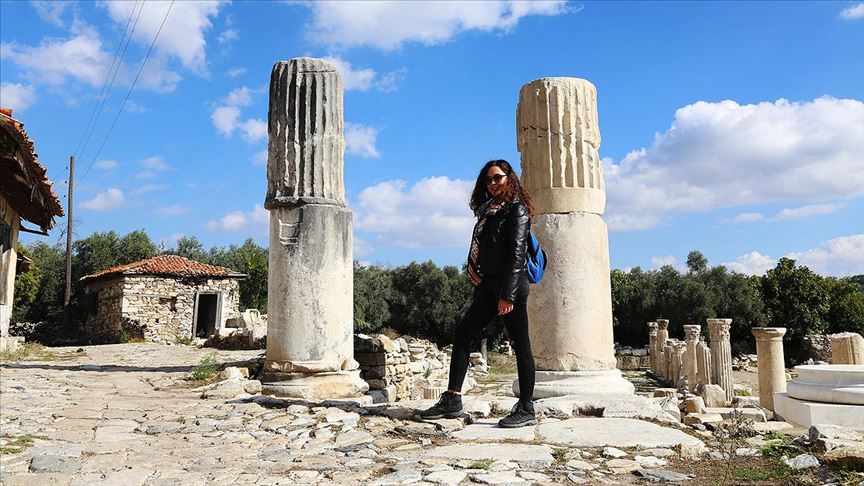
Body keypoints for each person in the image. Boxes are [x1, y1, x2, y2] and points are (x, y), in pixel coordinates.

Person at [418, 159, 537, 428]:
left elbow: (517, 253)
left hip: (510, 284)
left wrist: (508, 294)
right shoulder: (488, 212)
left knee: (520, 344)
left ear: (510, 178)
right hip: (488, 284)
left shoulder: (516, 210)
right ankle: (452, 399)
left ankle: (526, 408)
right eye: (488, 179)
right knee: (463, 333)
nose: (493, 183)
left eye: (498, 177)